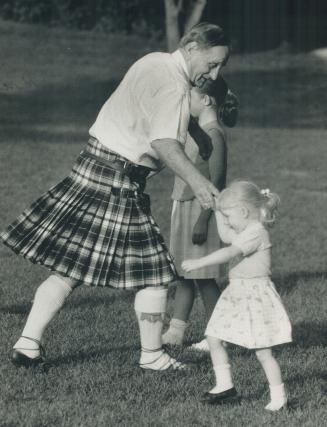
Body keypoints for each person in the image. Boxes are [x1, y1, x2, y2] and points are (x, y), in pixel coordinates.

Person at [0, 22, 230, 371]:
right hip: (119, 178)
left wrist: (195, 127)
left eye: (220, 67)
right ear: (193, 46)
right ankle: (152, 356)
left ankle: (27, 344)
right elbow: (164, 144)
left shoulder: (153, 61)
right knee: (154, 273)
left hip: (93, 165)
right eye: (212, 64)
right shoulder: (175, 88)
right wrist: (199, 182)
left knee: (70, 267)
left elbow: (150, 116)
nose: (214, 73)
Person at [182, 181, 292, 410]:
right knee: (214, 337)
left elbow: (229, 250)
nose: (228, 221)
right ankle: (225, 386)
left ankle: (279, 397)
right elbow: (225, 234)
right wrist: (217, 208)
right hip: (237, 294)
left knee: (262, 351)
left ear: (243, 212)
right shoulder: (245, 229)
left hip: (255, 296)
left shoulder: (256, 233)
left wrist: (199, 262)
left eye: (229, 215)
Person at [162, 78, 238, 350]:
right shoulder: (199, 130)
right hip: (183, 206)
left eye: (191, 97)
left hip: (200, 210)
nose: (187, 102)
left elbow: (217, 182)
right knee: (184, 273)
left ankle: (218, 336)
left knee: (204, 278)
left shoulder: (214, 133)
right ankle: (176, 332)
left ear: (206, 100)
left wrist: (204, 219)